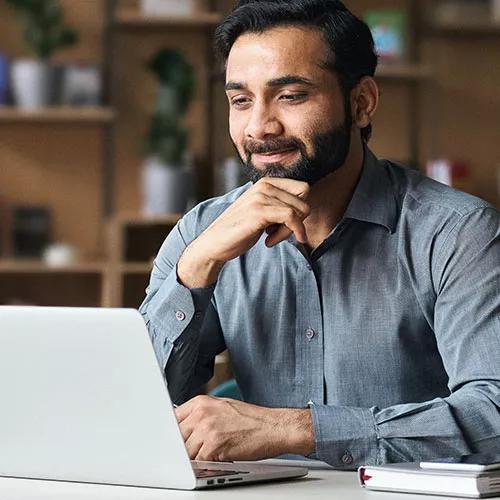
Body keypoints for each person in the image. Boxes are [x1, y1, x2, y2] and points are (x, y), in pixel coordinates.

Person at [139, 0, 500, 468]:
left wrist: (296, 429)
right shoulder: (202, 233)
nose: (259, 127)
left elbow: (492, 412)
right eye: (240, 100)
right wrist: (194, 271)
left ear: (361, 103)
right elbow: (135, 410)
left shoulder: (458, 234)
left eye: (290, 96)